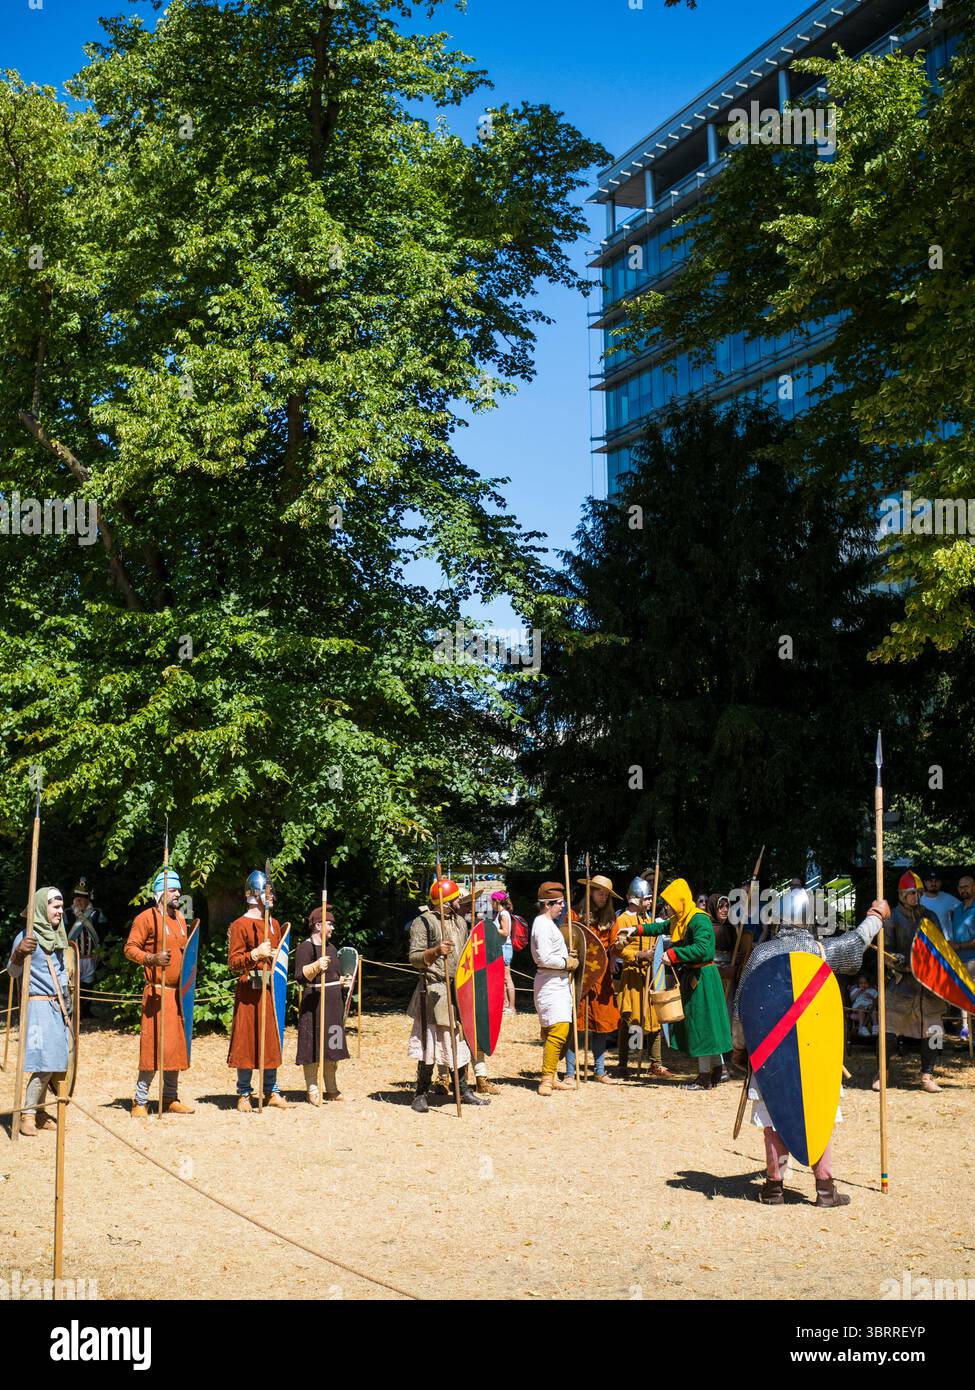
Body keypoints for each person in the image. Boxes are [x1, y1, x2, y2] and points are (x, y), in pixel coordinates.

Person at [735, 889, 889, 1207]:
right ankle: (825, 1188)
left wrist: (741, 1049)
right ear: (809, 919)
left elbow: (740, 1011)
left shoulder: (761, 955)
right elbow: (855, 942)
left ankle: (774, 1188)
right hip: (813, 1051)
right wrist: (875, 917)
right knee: (816, 1112)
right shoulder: (817, 951)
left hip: (771, 1053)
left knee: (773, 1118)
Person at [633, 878, 732, 1090]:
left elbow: (704, 950)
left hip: (704, 978)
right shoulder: (681, 919)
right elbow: (659, 927)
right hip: (694, 977)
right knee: (703, 1026)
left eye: (669, 902)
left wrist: (674, 953)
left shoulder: (698, 920)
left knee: (702, 1027)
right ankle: (715, 1071)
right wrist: (636, 930)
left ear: (680, 901)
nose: (666, 907)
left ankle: (705, 1075)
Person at [407, 878, 488, 1112]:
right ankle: (420, 1093)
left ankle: (462, 1090)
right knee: (429, 1043)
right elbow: (414, 957)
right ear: (445, 903)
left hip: (458, 990)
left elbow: (467, 957)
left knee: (458, 1042)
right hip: (433, 990)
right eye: (455, 900)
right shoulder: (423, 922)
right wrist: (435, 951)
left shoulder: (461, 922)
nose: (459, 903)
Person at [124, 868, 195, 1117]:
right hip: (157, 993)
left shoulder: (180, 919)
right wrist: (152, 958)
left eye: (178, 889)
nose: (178, 893)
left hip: (178, 994)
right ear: (160, 892)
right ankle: (140, 1100)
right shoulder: (146, 918)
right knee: (153, 1046)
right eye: (173, 889)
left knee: (175, 1046)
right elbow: (130, 948)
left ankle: (169, 1097)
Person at [7, 888, 75, 1137]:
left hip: (57, 1007)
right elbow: (12, 973)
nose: (60, 911)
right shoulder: (26, 936)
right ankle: (27, 1113)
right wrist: (19, 953)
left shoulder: (58, 936)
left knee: (56, 1062)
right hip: (37, 1005)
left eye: (61, 906)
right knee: (44, 1062)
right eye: (55, 906)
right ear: (40, 908)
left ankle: (40, 1111)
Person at [227, 869, 289, 1111]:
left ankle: (271, 1091)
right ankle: (244, 1093)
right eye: (268, 892)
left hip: (269, 990)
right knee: (247, 1039)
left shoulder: (273, 924)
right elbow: (233, 962)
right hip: (248, 991)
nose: (272, 896)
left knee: (270, 1040)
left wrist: (272, 956)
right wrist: (254, 955)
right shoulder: (240, 925)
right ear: (255, 895)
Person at [879, 870, 944, 1094]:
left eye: (918, 893)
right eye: (910, 893)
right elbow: (884, 950)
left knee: (934, 1031)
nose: (915, 897)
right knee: (888, 1030)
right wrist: (895, 960)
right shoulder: (892, 918)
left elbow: (940, 947)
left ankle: (927, 1075)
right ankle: (883, 1073)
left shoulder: (930, 916)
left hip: (928, 984)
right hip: (901, 982)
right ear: (901, 895)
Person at [566, 872, 621, 1083]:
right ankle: (571, 1073)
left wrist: (620, 946)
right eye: (600, 892)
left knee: (601, 1025)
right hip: (580, 976)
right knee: (574, 1023)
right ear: (591, 892)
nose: (603, 897)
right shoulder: (574, 915)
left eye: (606, 894)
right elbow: (567, 939)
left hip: (601, 977)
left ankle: (599, 1071)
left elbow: (614, 945)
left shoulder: (611, 919)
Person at [614, 876, 671, 1078]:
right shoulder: (622, 920)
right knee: (632, 1020)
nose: (650, 902)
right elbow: (617, 950)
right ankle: (624, 1063)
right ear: (636, 899)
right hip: (633, 976)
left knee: (654, 1018)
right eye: (647, 898)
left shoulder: (648, 920)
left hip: (650, 975)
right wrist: (638, 955)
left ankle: (656, 1063)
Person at [294, 904, 351, 1104]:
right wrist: (316, 966)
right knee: (312, 1046)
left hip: (333, 1004)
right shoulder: (305, 947)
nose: (332, 928)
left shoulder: (332, 948)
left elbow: (334, 975)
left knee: (332, 1046)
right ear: (318, 925)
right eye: (329, 924)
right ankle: (312, 1088)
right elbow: (300, 976)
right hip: (314, 1004)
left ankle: (332, 1089)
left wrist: (342, 981)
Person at [531, 881, 579, 1096]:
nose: (562, 907)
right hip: (550, 982)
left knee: (557, 1030)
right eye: (559, 903)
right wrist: (565, 962)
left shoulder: (550, 924)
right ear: (548, 904)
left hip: (557, 982)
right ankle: (546, 1080)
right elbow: (543, 957)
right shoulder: (541, 923)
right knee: (557, 1032)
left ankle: (552, 1076)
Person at [65, 877, 103, 1017]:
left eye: (82, 898)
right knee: (72, 984)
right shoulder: (67, 913)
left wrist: (99, 951)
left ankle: (85, 1010)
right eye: (76, 898)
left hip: (90, 957)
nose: (78, 901)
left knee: (88, 985)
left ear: (88, 899)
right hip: (73, 957)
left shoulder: (96, 913)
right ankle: (71, 1011)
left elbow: (102, 934)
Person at [949, 873, 975, 1041]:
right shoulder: (957, 909)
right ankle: (965, 1030)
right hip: (958, 960)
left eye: (966, 886)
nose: (963, 890)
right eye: (961, 887)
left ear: (974, 888)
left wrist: (958, 946)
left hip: (973, 959)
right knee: (963, 995)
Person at [491, 889, 517, 1015]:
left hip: (504, 947)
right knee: (502, 978)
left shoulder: (503, 914)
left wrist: (490, 928)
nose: (491, 904)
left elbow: (505, 932)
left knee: (507, 978)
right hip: (502, 947)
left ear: (497, 901)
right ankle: (505, 1005)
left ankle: (511, 1007)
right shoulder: (501, 913)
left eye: (492, 901)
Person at [920, 869, 960, 935]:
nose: (933, 883)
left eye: (936, 881)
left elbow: (965, 909)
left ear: (940, 883)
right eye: (930, 881)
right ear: (925, 883)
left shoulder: (948, 898)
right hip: (926, 941)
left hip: (945, 942)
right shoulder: (919, 899)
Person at [849, 973, 878, 1037]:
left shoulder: (872, 990)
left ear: (869, 983)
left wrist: (871, 997)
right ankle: (861, 1027)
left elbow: (877, 1001)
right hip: (858, 1008)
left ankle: (875, 1025)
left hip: (869, 1008)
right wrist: (858, 992)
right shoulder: (856, 990)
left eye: (865, 983)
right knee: (861, 1007)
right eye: (861, 983)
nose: (863, 985)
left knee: (872, 1007)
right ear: (858, 984)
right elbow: (852, 999)